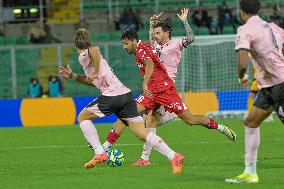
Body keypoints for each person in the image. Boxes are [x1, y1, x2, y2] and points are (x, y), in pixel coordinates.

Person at [102, 28, 237, 167]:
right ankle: (109, 149)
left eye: (126, 43)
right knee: (133, 115)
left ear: (134, 41)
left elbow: (150, 63)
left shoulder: (142, 49)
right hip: (153, 91)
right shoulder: (143, 47)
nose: (124, 47)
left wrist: (145, 83)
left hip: (165, 90)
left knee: (190, 120)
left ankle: (220, 127)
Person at [59, 28, 184, 174]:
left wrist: (96, 71)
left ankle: (100, 152)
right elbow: (91, 80)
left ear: (76, 47)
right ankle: (173, 156)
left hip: (112, 96)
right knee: (142, 133)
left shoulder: (86, 53)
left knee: (82, 117)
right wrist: (74, 76)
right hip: (125, 96)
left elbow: (95, 49)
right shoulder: (91, 61)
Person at [103, 8, 196, 166]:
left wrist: (185, 21)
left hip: (165, 87)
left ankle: (143, 155)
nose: (156, 35)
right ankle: (145, 158)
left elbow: (191, 38)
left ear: (166, 32)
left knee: (146, 120)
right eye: (155, 33)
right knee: (148, 120)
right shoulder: (155, 46)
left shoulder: (176, 44)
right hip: (154, 86)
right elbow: (146, 45)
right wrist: (151, 25)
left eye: (158, 33)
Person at [225, 0, 284, 184]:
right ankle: (250, 173)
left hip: (280, 84)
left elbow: (242, 62)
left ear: (241, 12)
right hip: (268, 86)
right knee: (251, 123)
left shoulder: (245, 30)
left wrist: (241, 76)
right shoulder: (273, 26)